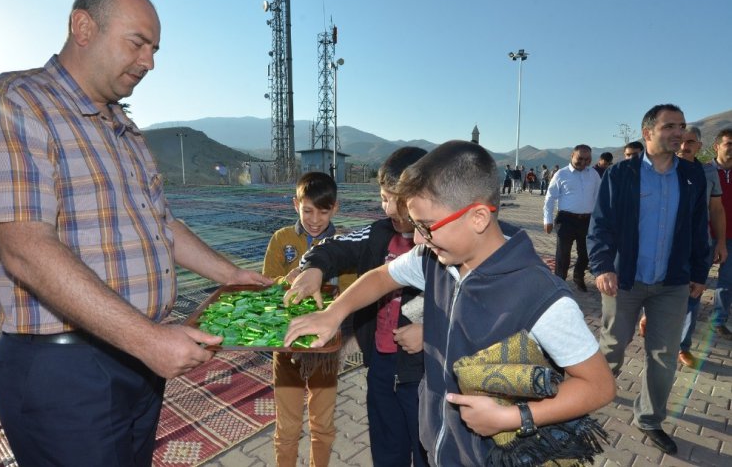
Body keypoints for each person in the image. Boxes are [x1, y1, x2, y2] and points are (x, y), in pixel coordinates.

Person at [0, 0, 272, 466]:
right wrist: (148, 340)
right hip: (64, 368)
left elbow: (161, 224)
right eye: (137, 43)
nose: (149, 62)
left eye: (155, 49)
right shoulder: (18, 102)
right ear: (83, 27)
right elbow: (25, 246)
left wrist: (230, 274)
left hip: (134, 356)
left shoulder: (124, 127)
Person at [284, 140, 616, 466]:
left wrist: (514, 417)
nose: (416, 239)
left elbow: (598, 385)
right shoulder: (434, 259)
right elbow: (382, 277)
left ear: (478, 218)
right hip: (437, 446)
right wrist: (334, 312)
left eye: (426, 227)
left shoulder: (541, 295)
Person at [285, 147, 430, 467]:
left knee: (425, 448)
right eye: (383, 197)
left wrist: (429, 331)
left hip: (422, 373)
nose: (389, 207)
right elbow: (334, 247)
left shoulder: (438, 243)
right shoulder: (378, 233)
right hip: (380, 362)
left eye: (398, 200)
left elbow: (463, 306)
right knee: (386, 444)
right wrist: (314, 268)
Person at [588, 104, 709, 455]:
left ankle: (650, 418)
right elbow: (600, 227)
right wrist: (602, 267)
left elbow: (698, 227)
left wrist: (699, 272)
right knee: (613, 346)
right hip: (623, 280)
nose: (678, 133)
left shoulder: (691, 175)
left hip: (672, 282)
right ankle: (582, 402)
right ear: (647, 133)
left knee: (664, 355)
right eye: (669, 126)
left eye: (682, 126)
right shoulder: (621, 174)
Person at [262, 172, 354, 467]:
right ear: (295, 205)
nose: (315, 219)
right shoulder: (282, 239)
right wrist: (282, 281)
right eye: (308, 210)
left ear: (335, 208)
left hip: (324, 349)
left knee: (322, 425)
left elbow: (354, 293)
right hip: (287, 348)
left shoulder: (345, 244)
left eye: (323, 211)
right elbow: (266, 287)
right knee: (287, 427)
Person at [638, 126, 727, 367]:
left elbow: (716, 210)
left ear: (700, 146)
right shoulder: (662, 169)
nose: (685, 146)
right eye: (682, 141)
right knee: (659, 288)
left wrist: (720, 242)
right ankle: (650, 318)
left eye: (691, 142)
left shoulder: (707, 173)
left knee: (694, 294)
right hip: (663, 246)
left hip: (699, 247)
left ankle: (682, 346)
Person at [543, 145, 601, 292]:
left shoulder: (593, 174)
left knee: (586, 253)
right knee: (563, 254)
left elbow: (599, 197)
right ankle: (559, 283)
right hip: (566, 220)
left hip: (587, 221)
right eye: (580, 158)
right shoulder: (561, 174)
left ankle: (578, 276)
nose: (583, 162)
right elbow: (550, 198)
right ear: (572, 156)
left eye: (587, 159)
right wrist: (547, 220)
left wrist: (600, 219)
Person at [709, 128, 732, 339]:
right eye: (729, 144)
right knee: (693, 280)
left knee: (727, 282)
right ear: (717, 146)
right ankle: (679, 318)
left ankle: (718, 320)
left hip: (731, 237)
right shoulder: (704, 171)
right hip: (706, 236)